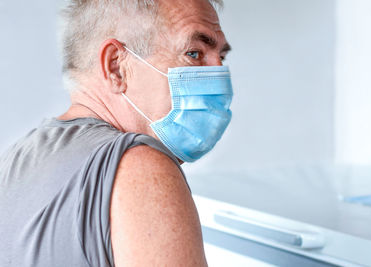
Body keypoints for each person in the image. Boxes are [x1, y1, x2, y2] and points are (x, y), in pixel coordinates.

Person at [0, 0, 233, 266]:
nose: (219, 73)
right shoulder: (141, 167)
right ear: (116, 67)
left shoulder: (14, 160)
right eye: (194, 54)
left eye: (221, 58)